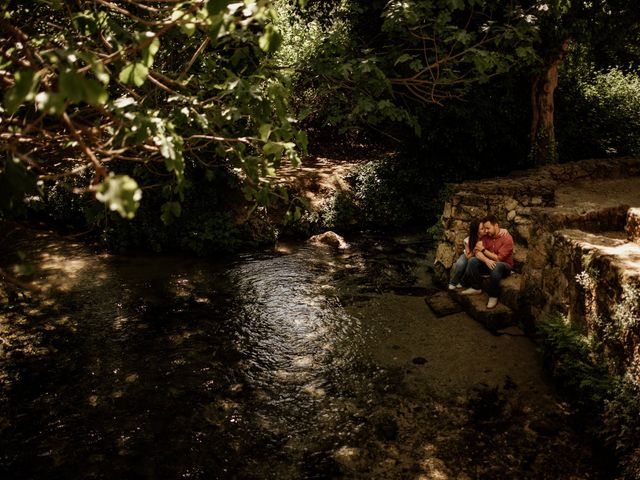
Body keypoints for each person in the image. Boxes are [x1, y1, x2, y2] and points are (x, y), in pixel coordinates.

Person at [460, 214, 514, 309]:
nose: (486, 231)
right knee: (472, 260)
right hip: (490, 264)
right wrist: (486, 260)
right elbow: (476, 251)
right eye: (484, 228)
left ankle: (493, 296)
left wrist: (484, 250)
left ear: (496, 226)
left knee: (496, 265)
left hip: (504, 266)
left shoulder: (507, 238)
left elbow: (499, 258)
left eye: (488, 228)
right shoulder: (487, 236)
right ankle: (476, 287)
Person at [448, 219, 485, 290]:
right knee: (460, 264)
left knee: (470, 265)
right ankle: (453, 282)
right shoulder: (468, 240)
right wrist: (476, 249)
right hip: (468, 255)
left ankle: (462, 282)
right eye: (482, 229)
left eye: (484, 228)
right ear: (476, 231)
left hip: (477, 257)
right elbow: (468, 256)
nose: (484, 230)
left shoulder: (486, 238)